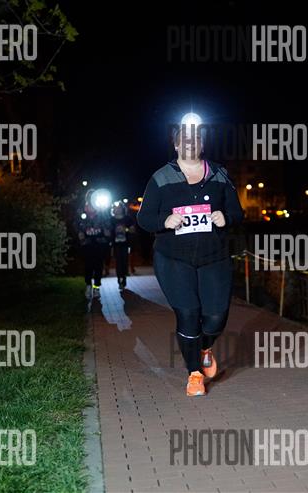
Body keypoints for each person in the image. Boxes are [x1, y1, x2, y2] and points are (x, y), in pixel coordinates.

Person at [137, 126, 243, 396]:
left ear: (202, 144)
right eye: (184, 140)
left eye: (196, 139)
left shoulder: (220, 174)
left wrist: (226, 218)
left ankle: (204, 347)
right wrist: (165, 221)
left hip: (214, 257)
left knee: (216, 318)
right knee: (188, 314)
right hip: (173, 258)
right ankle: (194, 374)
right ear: (176, 146)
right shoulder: (161, 177)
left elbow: (237, 213)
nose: (190, 144)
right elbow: (144, 218)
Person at [78, 191, 112, 299]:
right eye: (89, 197)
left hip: (100, 243)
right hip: (87, 243)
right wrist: (81, 232)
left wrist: (106, 231)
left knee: (98, 266)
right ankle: (88, 285)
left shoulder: (102, 211)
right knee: (88, 265)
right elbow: (77, 223)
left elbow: (108, 224)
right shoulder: (82, 210)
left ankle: (96, 287)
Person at [111, 202, 135, 290]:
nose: (117, 209)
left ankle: (124, 278)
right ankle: (119, 279)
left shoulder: (127, 219)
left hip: (126, 243)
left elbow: (133, 230)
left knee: (124, 260)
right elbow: (108, 231)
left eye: (119, 208)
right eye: (116, 208)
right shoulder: (111, 219)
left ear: (122, 209)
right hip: (115, 244)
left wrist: (126, 229)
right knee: (118, 261)